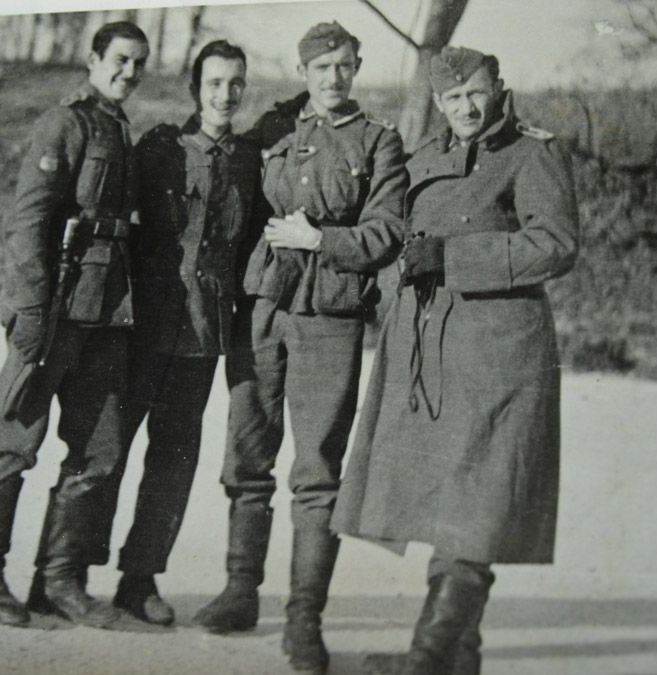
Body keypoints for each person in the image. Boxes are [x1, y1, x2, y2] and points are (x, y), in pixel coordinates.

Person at [331, 46, 580, 674]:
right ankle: (455, 661)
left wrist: (454, 256)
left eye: (475, 93)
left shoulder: (531, 151)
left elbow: (555, 244)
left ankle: (423, 661)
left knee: (477, 508)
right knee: (452, 506)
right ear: (439, 103)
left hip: (501, 356)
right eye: (452, 98)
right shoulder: (426, 158)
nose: (466, 108)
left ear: (498, 87)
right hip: (433, 350)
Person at [193, 22, 407, 674]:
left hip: (332, 315)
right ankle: (239, 589)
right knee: (247, 451)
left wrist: (323, 242)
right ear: (305, 71)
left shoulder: (379, 141)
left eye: (344, 66)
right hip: (264, 307)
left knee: (316, 470)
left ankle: (304, 619)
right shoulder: (274, 133)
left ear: (358, 67)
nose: (334, 78)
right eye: (322, 67)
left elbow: (389, 230)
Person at [0, 21, 148, 631]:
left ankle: (58, 581)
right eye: (120, 60)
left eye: (139, 63)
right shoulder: (64, 124)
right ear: (93, 59)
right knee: (16, 439)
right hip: (59, 309)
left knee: (99, 449)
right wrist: (32, 314)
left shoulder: (119, 127)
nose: (129, 72)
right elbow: (29, 224)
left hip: (105, 312)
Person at [102, 40, 263, 627]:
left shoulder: (252, 159)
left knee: (171, 460)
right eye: (215, 82)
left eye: (236, 83)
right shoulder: (161, 148)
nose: (226, 94)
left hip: (201, 333)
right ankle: (61, 573)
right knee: (106, 450)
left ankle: (138, 581)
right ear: (197, 88)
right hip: (143, 324)